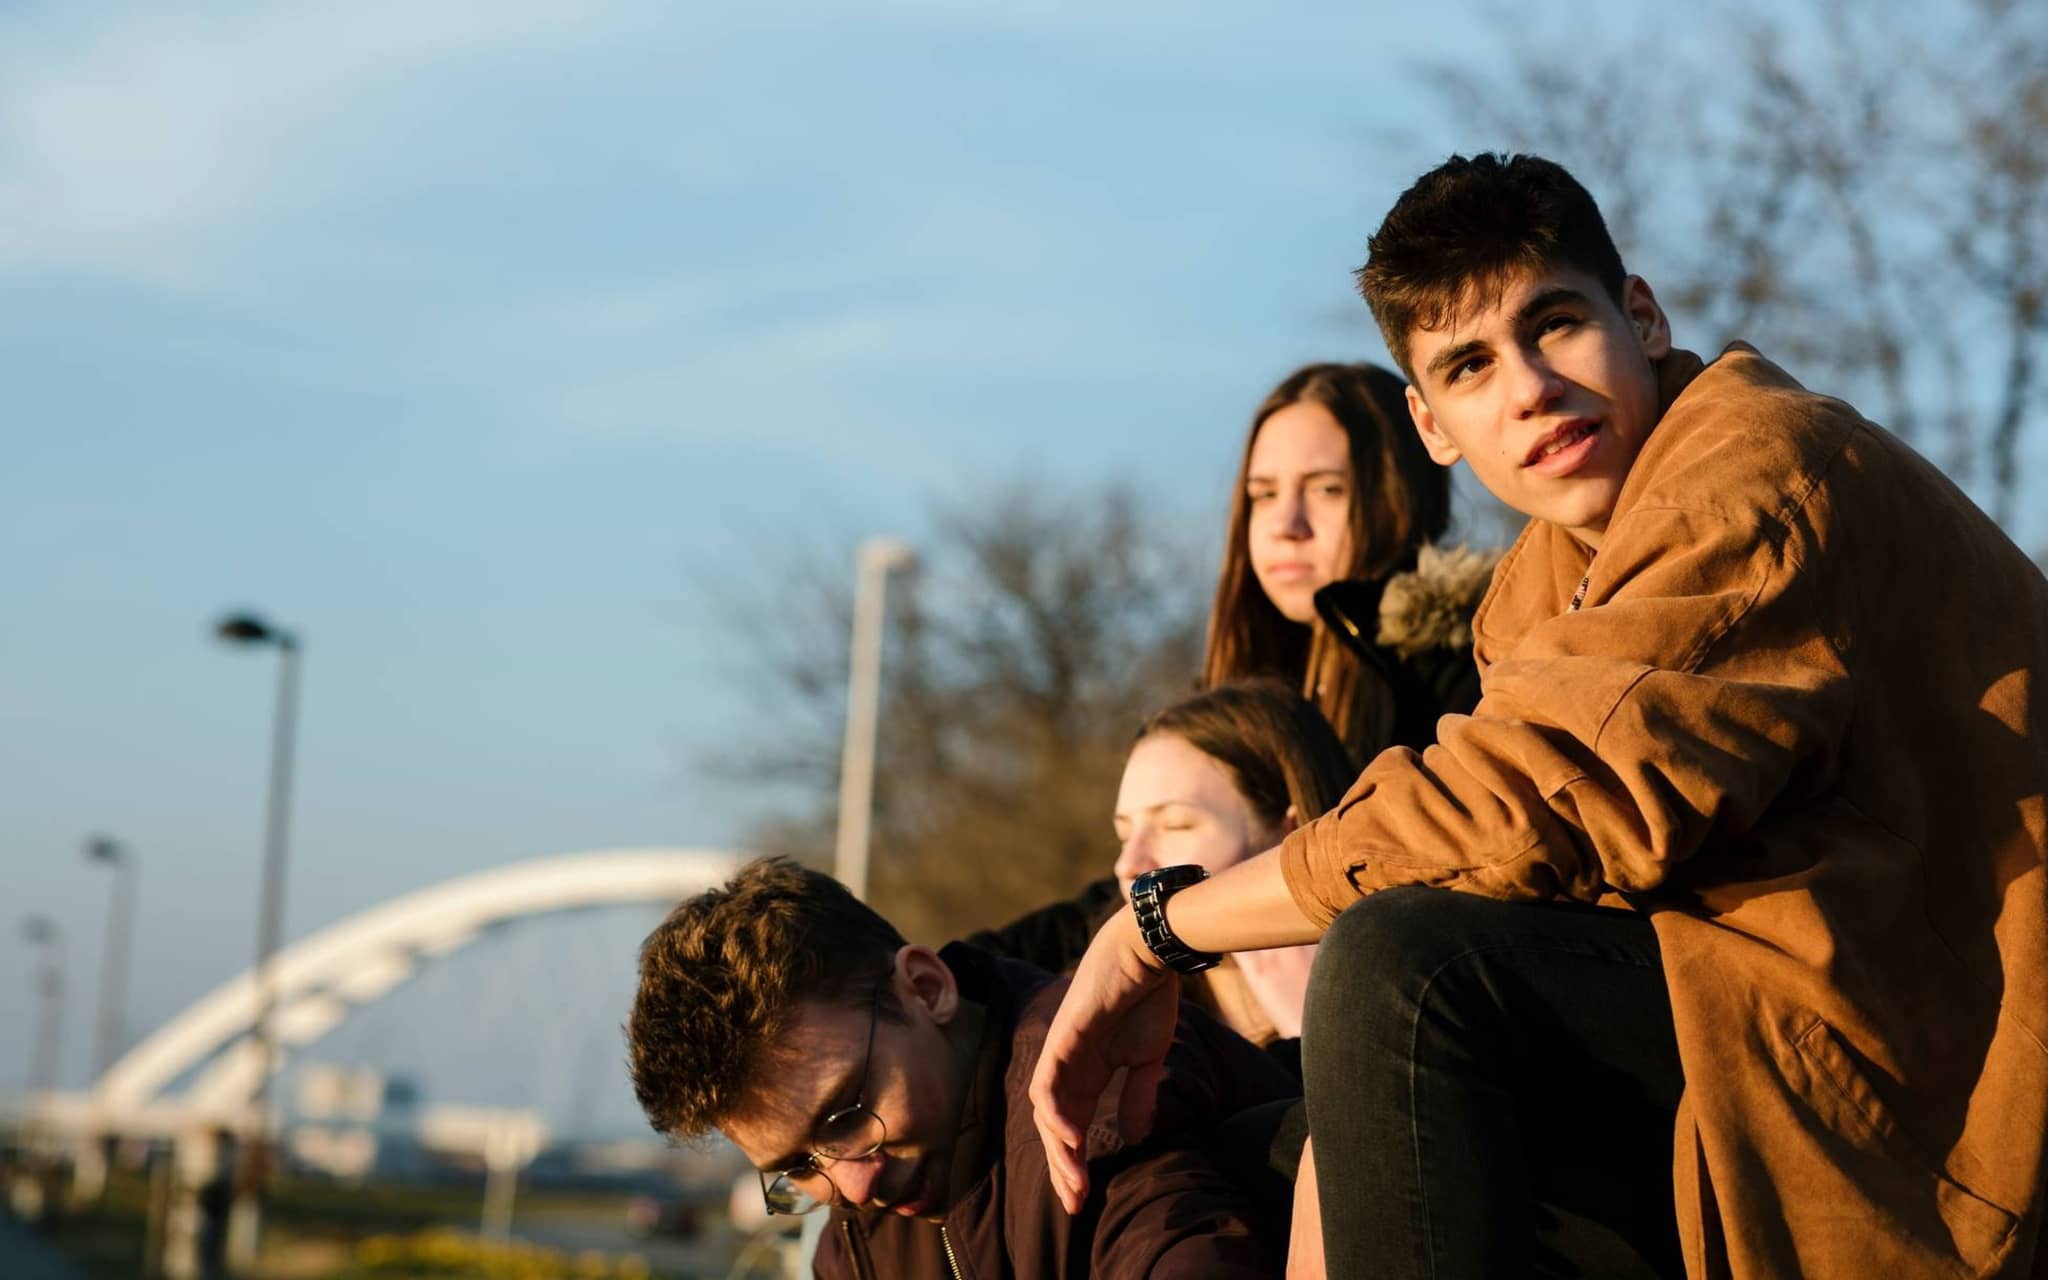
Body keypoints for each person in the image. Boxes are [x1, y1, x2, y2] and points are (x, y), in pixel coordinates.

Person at [1028, 151, 2048, 1279]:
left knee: (1402, 970)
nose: (1525, 386)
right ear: (1432, 424)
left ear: (1642, 316)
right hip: (1746, 1025)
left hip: (1933, 1072)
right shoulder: (1536, 580)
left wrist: (1155, 929)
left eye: (1553, 324)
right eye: (1468, 365)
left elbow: (1532, 802)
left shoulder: (1759, 467)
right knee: (1238, 1158)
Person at [625, 857, 1299, 1279]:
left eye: (847, 1113)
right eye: (800, 1166)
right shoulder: (854, 1243)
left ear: (926, 988)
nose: (854, 1188)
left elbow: (1179, 1241)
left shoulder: (1097, 1088)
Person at [1204, 362, 1481, 763]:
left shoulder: (1468, 689)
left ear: (1400, 500)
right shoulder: (1221, 703)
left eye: (1327, 489)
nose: (1286, 525)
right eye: (1264, 495)